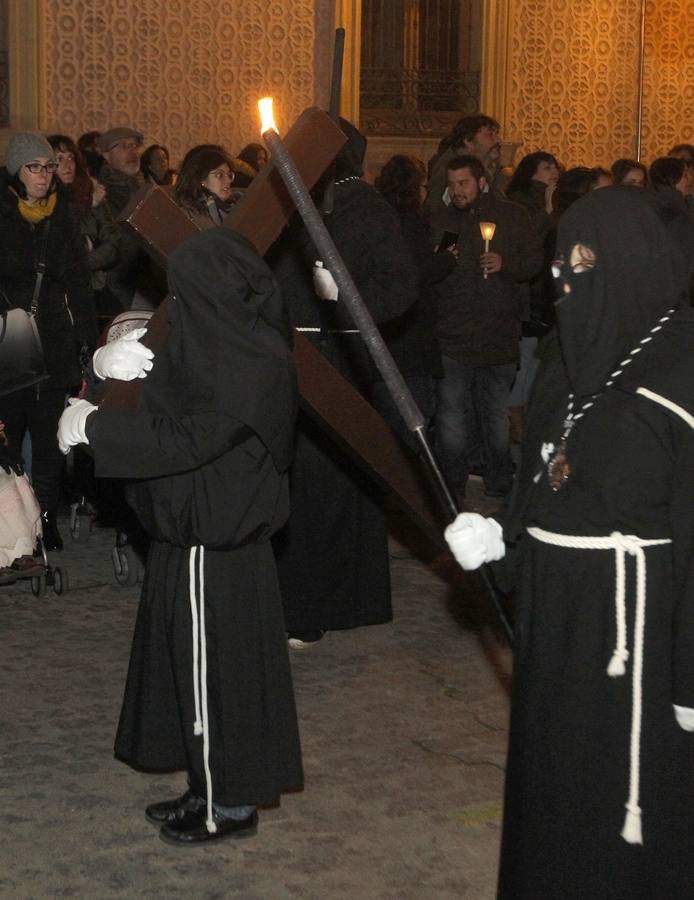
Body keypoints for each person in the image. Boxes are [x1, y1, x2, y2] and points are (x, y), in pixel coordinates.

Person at [445, 186, 694, 898]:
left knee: (624, 791)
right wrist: (502, 542)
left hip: (640, 633)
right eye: (560, 262)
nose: (565, 279)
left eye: (586, 262)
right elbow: (545, 481)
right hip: (557, 622)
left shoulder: (684, 373)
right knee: (556, 780)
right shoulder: (564, 359)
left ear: (637, 263)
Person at [57, 226, 303, 846]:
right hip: (194, 535)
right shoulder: (227, 344)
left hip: (211, 540)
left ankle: (225, 804)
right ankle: (207, 785)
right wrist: (99, 365)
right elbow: (165, 391)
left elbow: (186, 438)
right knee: (193, 671)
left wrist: (95, 433)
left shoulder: (248, 362)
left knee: (210, 673)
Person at [268, 118, 418, 646]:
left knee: (327, 491)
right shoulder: (287, 205)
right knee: (294, 490)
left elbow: (400, 288)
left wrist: (344, 295)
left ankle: (318, 606)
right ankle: (289, 598)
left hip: (339, 367)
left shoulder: (365, 209)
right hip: (288, 362)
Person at [0, 132, 96, 550]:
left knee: (50, 440)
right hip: (8, 339)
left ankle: (45, 520)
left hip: (54, 338)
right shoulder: (2, 213)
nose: (43, 176)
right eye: (33, 167)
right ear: (16, 172)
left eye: (48, 167)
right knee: (8, 436)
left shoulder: (63, 218)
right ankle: (13, 525)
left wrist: (87, 342)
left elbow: (79, 283)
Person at [431, 154, 543, 503]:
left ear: (481, 182)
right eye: (451, 184)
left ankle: (498, 478)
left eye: (463, 183)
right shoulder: (447, 220)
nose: (457, 190)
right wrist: (443, 260)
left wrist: (504, 264)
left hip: (497, 333)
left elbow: (533, 261)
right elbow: (440, 269)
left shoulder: (511, 216)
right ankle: (453, 483)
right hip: (455, 335)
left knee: (495, 414)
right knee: (452, 417)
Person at [371, 153, 456, 452]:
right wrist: (448, 254)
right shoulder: (411, 224)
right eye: (422, 186)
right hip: (412, 336)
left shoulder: (376, 220)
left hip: (383, 334)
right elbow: (419, 273)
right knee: (416, 419)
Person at [48, 133, 122, 327]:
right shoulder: (43, 201)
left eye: (71, 157)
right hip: (54, 291)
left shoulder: (92, 195)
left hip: (93, 287)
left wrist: (82, 262)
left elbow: (113, 242)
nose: (67, 165)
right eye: (59, 159)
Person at [425, 113, 503, 216]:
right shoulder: (447, 172)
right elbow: (440, 216)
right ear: (468, 141)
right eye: (490, 134)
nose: (498, 140)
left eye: (496, 134)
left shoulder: (490, 169)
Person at [174, 144, 238, 227]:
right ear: (201, 180)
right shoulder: (189, 214)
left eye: (229, 175)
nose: (229, 180)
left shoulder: (236, 205)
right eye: (219, 175)